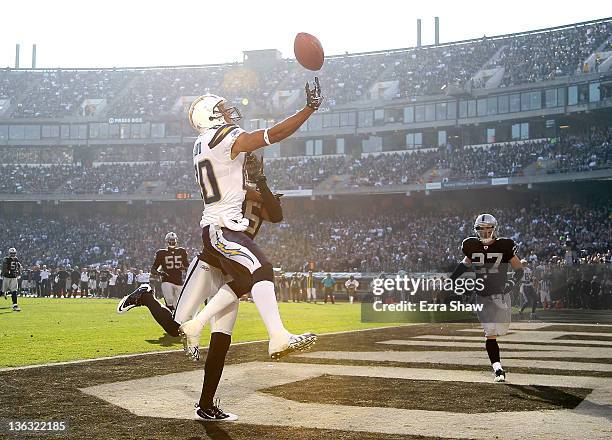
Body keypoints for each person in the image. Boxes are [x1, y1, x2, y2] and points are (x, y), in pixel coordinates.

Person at [117, 154, 284, 421]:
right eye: (247, 163)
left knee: (221, 342)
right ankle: (146, 296)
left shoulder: (259, 191)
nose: (250, 166)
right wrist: (249, 186)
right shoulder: (230, 187)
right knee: (175, 328)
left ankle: (205, 405)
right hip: (210, 263)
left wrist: (261, 183)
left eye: (254, 164)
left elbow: (275, 214)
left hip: (233, 268)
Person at [179, 79, 323, 371]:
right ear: (212, 115)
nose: (230, 112)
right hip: (222, 227)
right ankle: (278, 338)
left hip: (219, 224)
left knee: (245, 280)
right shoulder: (222, 136)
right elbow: (274, 134)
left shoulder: (202, 143)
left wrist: (258, 188)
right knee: (262, 269)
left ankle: (196, 325)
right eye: (222, 108)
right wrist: (308, 109)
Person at [449, 213, 524, 383]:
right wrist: (452, 278)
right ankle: (497, 368)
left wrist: (511, 282)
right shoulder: (471, 245)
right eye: (481, 230)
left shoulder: (505, 245)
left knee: (502, 330)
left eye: (488, 229)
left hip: (501, 295)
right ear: (476, 231)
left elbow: (519, 269)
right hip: (482, 295)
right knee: (490, 333)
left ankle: (497, 365)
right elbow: (465, 263)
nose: (484, 233)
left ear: (494, 229)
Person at [150, 232, 189, 311]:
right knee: (169, 300)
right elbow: (153, 269)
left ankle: (174, 319)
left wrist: (184, 268)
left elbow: (188, 266)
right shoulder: (161, 253)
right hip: (167, 280)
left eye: (173, 240)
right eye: (170, 240)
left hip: (179, 281)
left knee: (178, 304)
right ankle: (168, 318)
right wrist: (160, 273)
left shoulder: (182, 251)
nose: (172, 242)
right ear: (167, 241)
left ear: (176, 241)